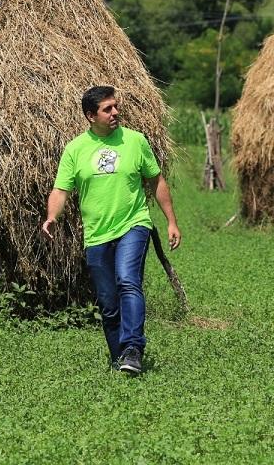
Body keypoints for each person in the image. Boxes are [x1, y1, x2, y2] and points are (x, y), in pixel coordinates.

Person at [42, 85, 181, 376]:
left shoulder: (135, 141)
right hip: (97, 233)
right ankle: (121, 358)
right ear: (91, 116)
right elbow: (61, 189)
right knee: (107, 302)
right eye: (108, 109)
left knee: (128, 281)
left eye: (116, 106)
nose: (116, 112)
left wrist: (170, 221)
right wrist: (52, 216)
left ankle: (133, 348)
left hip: (134, 223)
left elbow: (156, 181)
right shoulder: (76, 149)